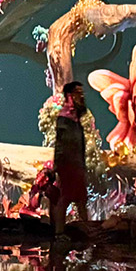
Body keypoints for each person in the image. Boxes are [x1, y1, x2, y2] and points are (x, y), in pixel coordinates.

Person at [52, 81, 90, 235]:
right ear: (69, 95)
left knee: (81, 199)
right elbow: (61, 145)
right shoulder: (64, 118)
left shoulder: (76, 119)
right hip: (68, 166)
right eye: (78, 93)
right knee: (65, 198)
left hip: (77, 165)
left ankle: (87, 231)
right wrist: (58, 166)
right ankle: (59, 233)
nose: (81, 96)